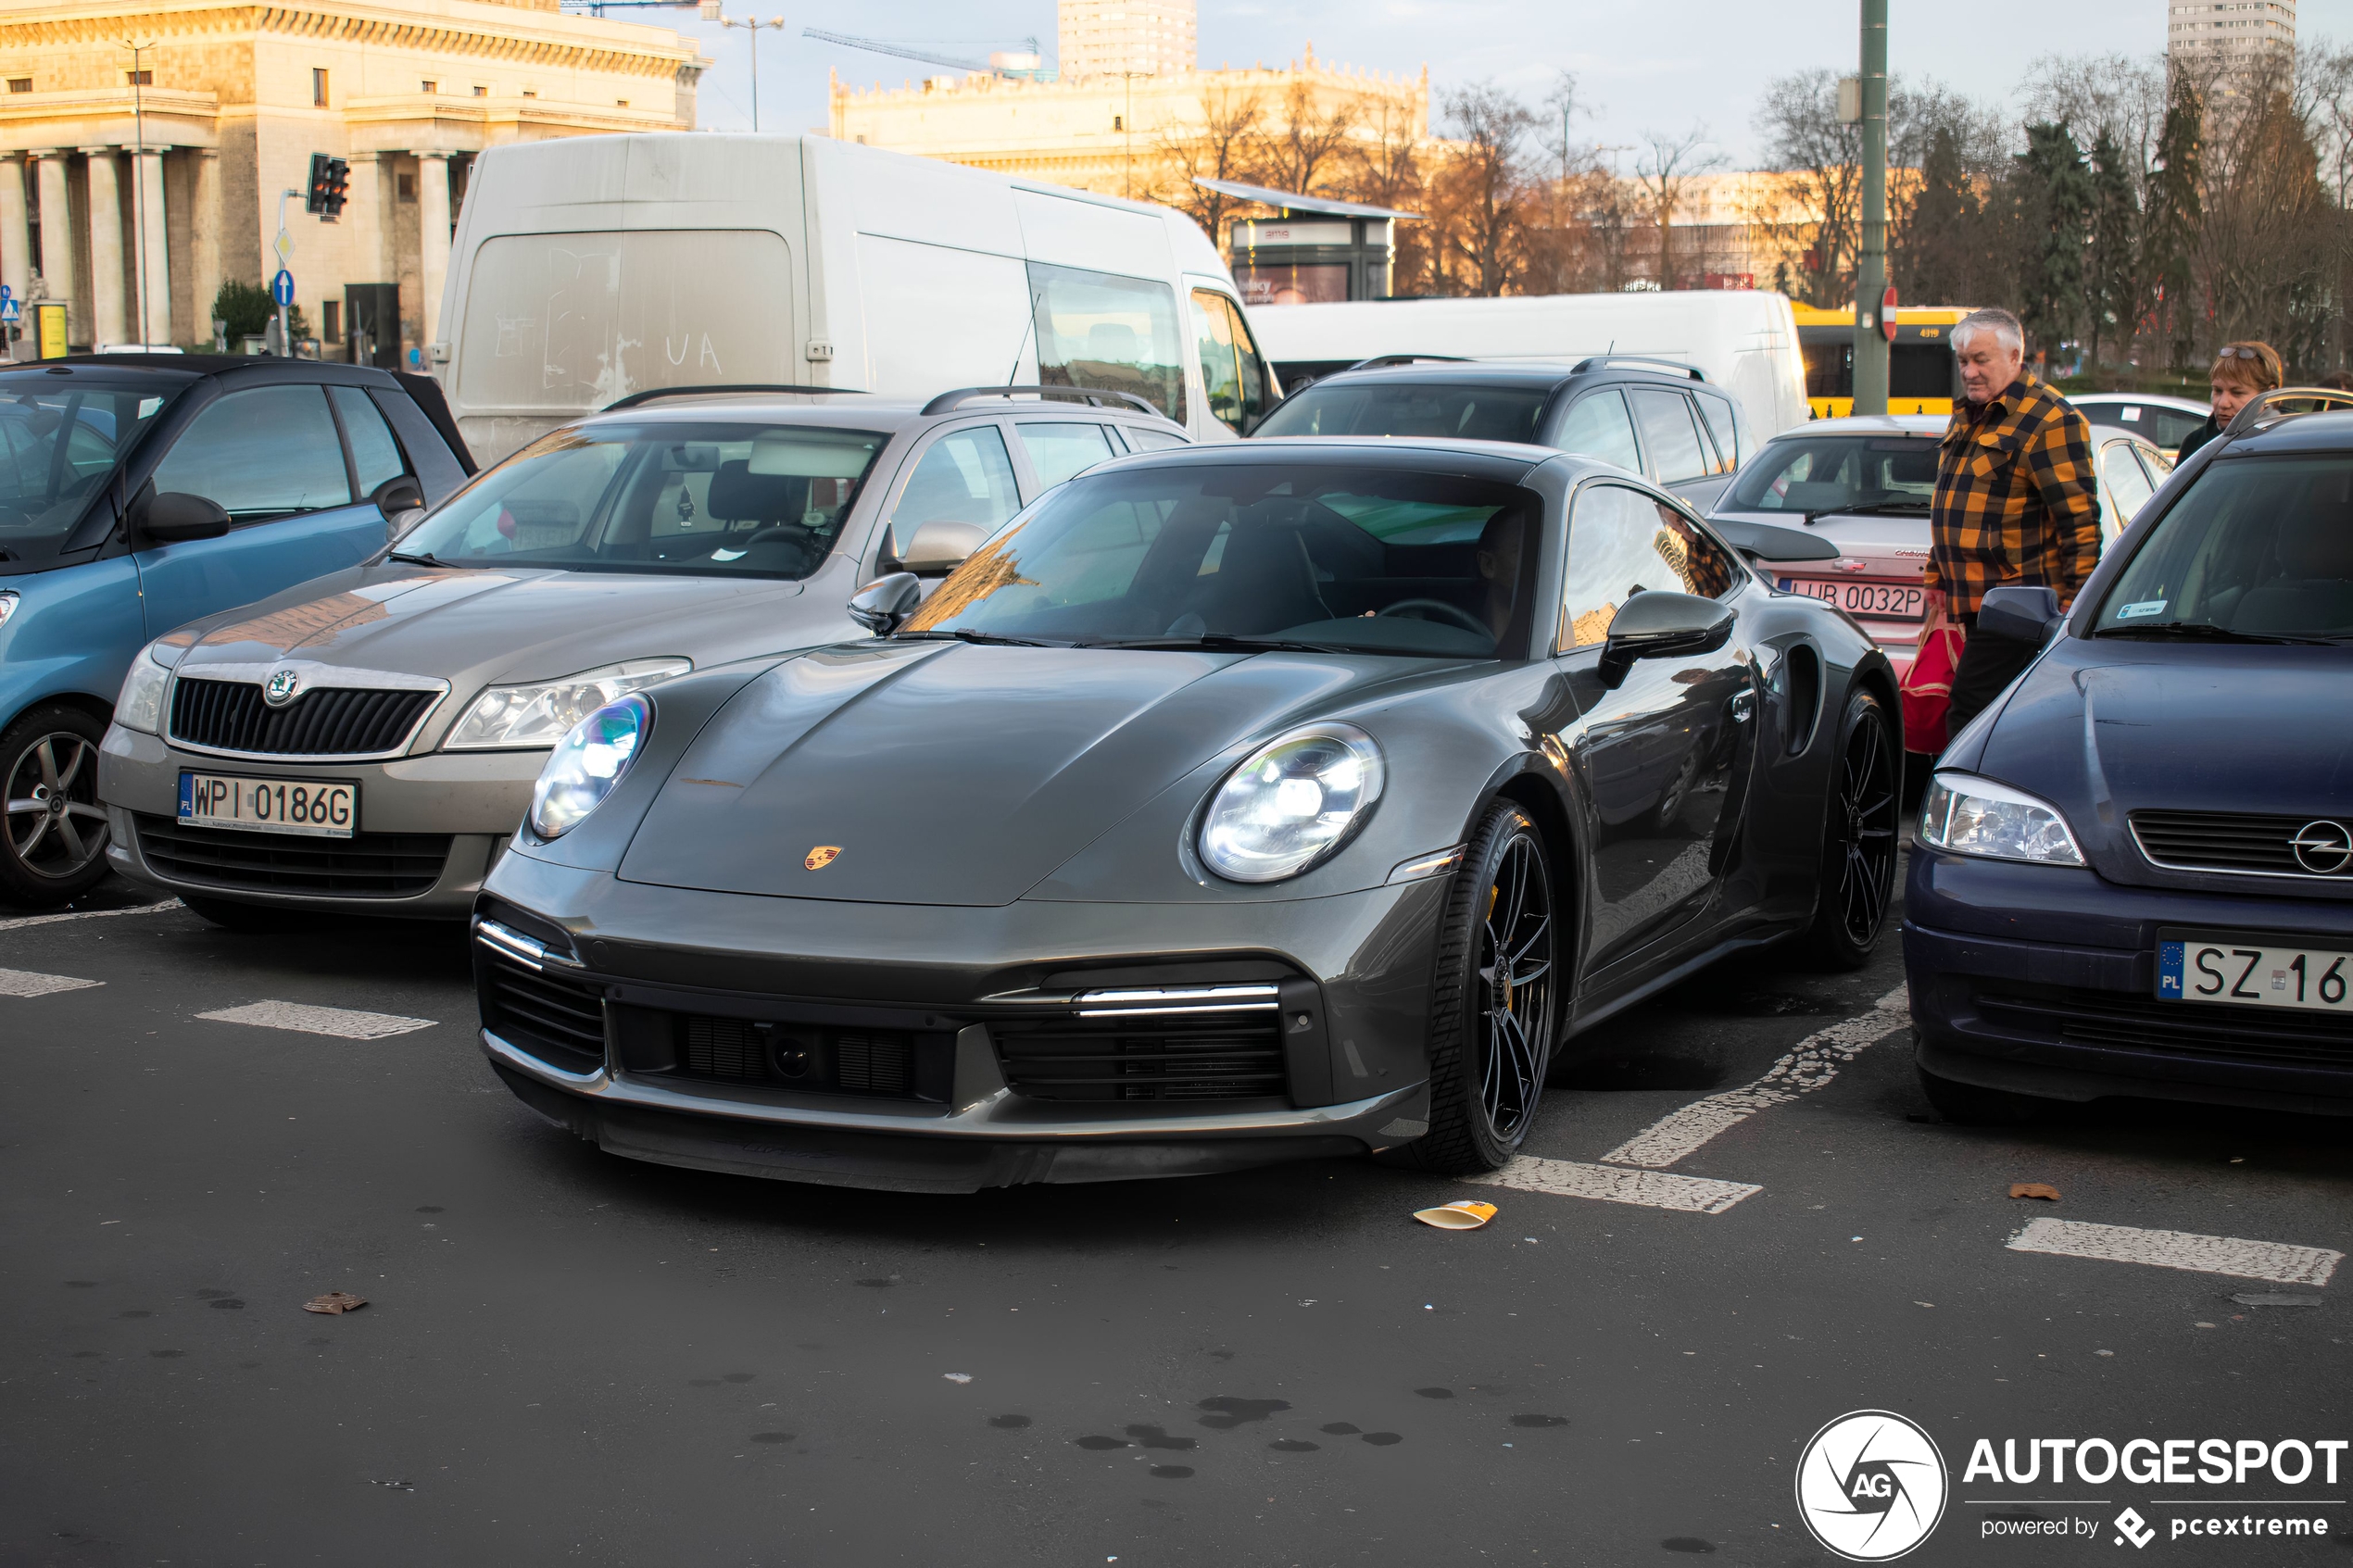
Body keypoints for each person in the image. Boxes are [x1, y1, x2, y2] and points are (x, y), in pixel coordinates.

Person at [1927, 307, 2102, 739]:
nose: (1969, 371)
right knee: (1998, 721)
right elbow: (1952, 500)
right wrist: (1936, 575)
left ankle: (1961, 801)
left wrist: (2076, 607)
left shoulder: (2050, 419)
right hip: (1974, 604)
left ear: (2015, 355)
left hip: (2020, 604)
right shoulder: (1969, 414)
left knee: (1969, 714)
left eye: (1981, 360)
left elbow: (2078, 521)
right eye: (1963, 361)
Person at [2175, 341, 2284, 462]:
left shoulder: (2292, 443)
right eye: (2218, 390)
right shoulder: (2194, 445)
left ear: (2269, 395)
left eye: (2237, 393)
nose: (2223, 404)